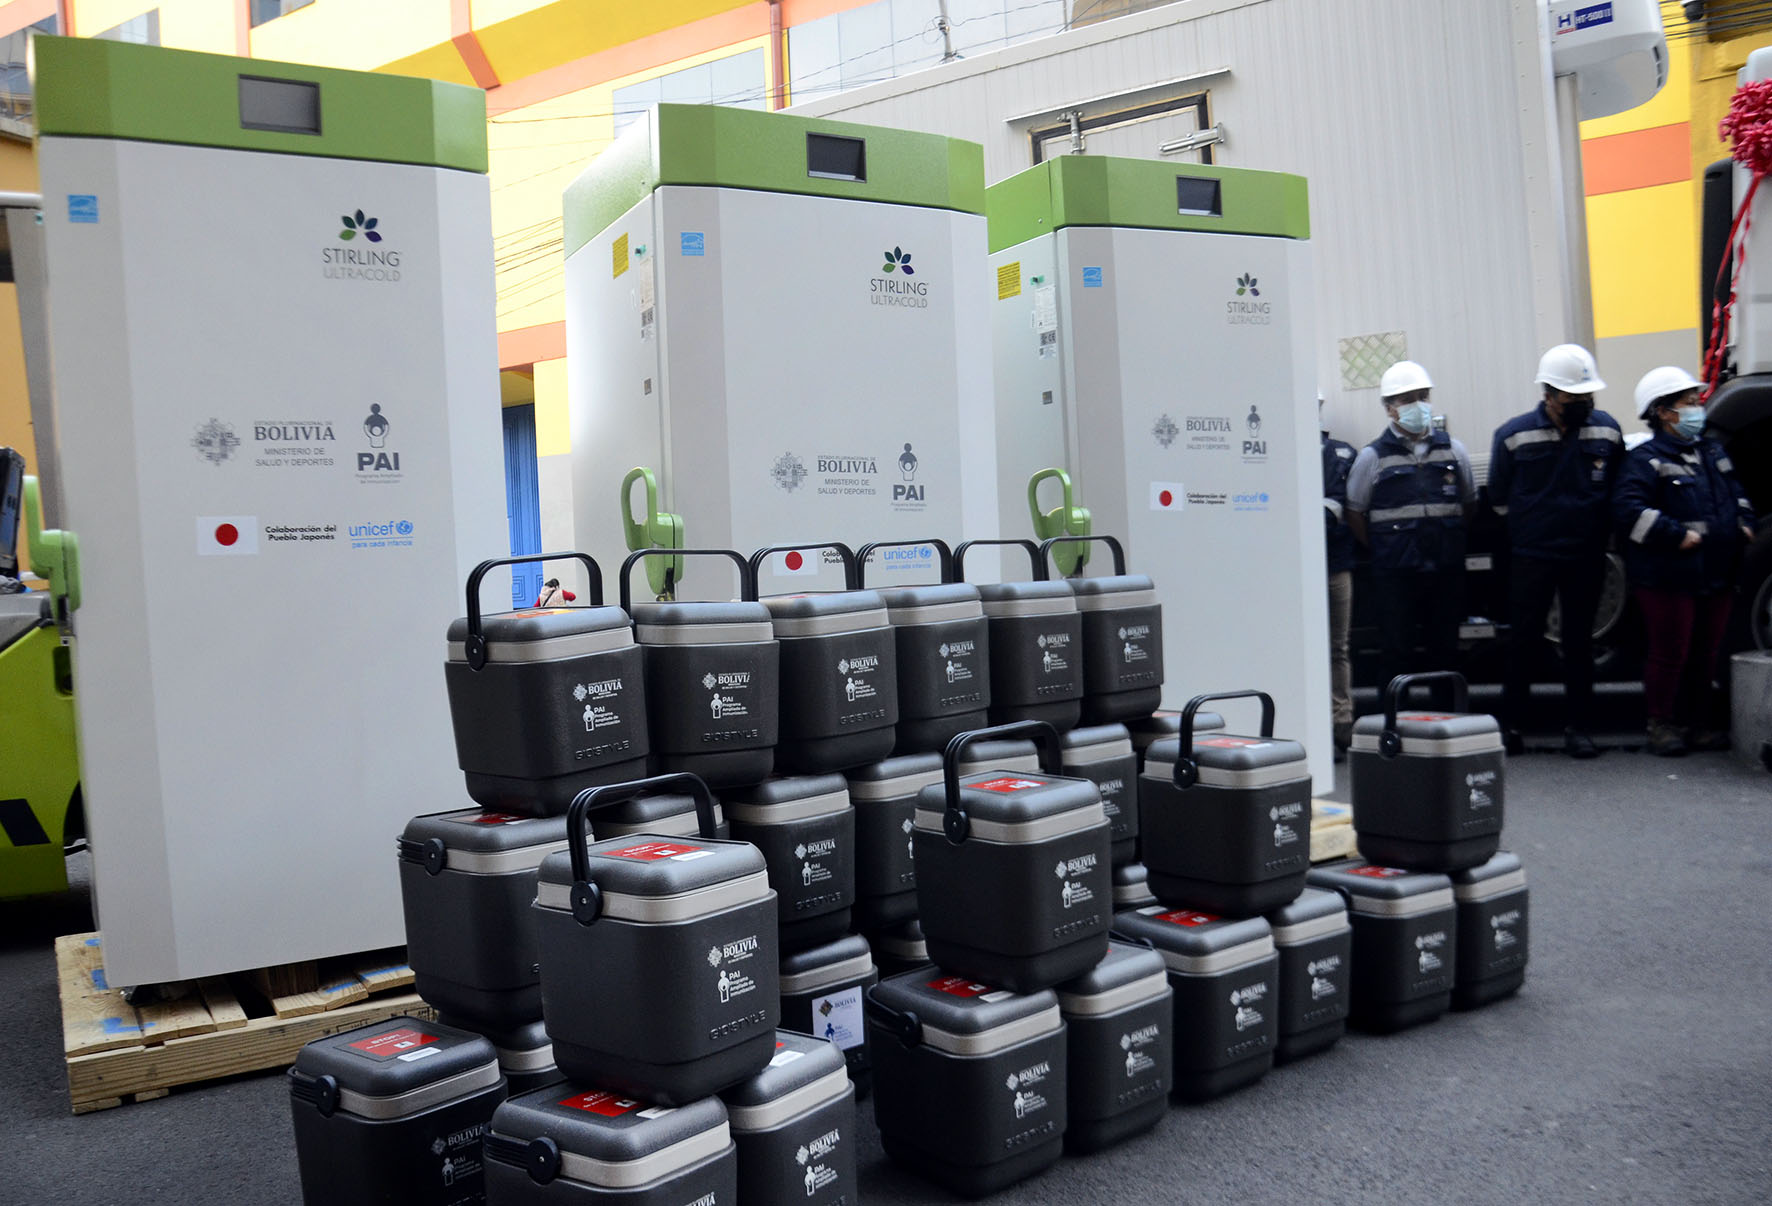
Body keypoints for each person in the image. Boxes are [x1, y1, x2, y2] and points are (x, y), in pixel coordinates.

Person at [1486, 343, 1622, 759]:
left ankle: (1579, 729)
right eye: (1571, 397)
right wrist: (1531, 529)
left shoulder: (1607, 431)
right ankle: (1512, 727)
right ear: (1547, 394)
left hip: (1585, 555)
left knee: (1579, 643)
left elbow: (1616, 487)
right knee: (1523, 642)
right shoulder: (1513, 435)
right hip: (1534, 555)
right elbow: (1498, 496)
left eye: (1586, 396)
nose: (1582, 403)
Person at [1613, 366, 1757, 756]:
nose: (1697, 409)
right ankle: (1661, 725)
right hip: (1667, 577)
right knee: (1670, 653)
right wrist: (1676, 536)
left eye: (1696, 402)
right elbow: (1629, 511)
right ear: (1663, 412)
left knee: (1705, 653)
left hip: (1715, 572)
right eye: (1688, 403)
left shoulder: (1712, 452)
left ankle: (1697, 725)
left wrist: (1745, 522)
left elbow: (1737, 493)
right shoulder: (1645, 460)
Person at [1345, 360, 1477, 707]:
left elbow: (1468, 503)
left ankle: (1448, 720)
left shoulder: (1454, 450)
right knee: (1396, 649)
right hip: (1395, 573)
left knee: (1445, 649)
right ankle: (1395, 722)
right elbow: (1355, 511)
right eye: (1407, 399)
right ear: (1389, 408)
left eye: (1422, 396)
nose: (1418, 404)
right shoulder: (1372, 457)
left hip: (1444, 568)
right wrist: (1382, 547)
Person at [1320, 394, 1358, 751]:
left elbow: (1347, 504)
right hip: (1292, 571)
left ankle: (1341, 720)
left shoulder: (1342, 454)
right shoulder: (1274, 451)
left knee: (1337, 646)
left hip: (1334, 565)